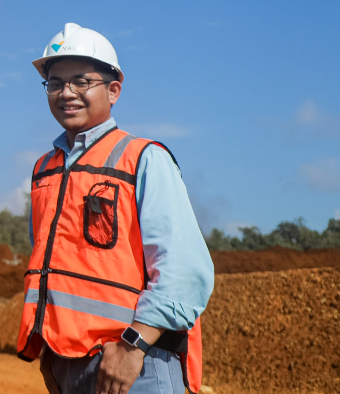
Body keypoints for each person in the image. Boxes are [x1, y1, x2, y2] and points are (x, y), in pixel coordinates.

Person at [17, 23, 212, 394]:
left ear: (114, 90)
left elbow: (187, 271)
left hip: (136, 365)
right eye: (55, 83)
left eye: (81, 81)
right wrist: (52, 353)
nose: (66, 93)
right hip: (67, 366)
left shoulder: (143, 159)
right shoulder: (45, 170)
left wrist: (133, 345)